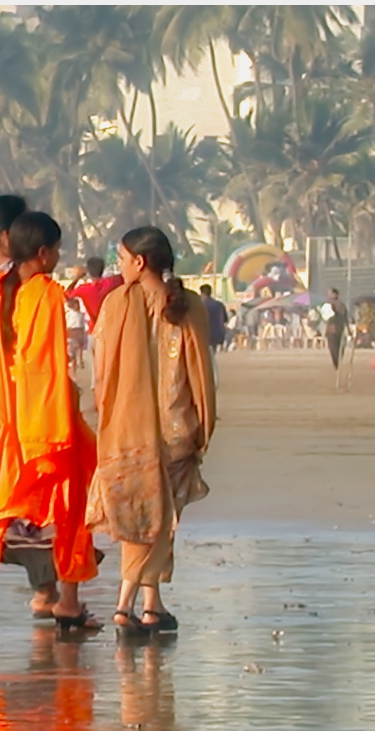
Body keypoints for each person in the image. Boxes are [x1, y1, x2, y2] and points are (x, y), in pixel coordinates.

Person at [0, 210, 100, 640]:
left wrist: (0, 399)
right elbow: (47, 366)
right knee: (72, 509)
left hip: (0, 421)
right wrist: (54, 419)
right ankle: (67, 601)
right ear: (44, 253)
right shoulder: (47, 296)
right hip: (43, 423)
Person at [88, 226, 216, 638]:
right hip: (178, 427)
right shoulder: (188, 304)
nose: (119, 267)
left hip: (129, 427)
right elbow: (201, 373)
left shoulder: (115, 304)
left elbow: (101, 371)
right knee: (158, 517)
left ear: (139, 263)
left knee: (144, 515)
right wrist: (204, 423)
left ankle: (130, 605)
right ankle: (145, 605)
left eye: (122, 260)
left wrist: (105, 413)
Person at [66, 255, 124, 336]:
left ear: (88, 271)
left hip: (94, 330)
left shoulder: (85, 289)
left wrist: (78, 276)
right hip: (111, 328)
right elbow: (123, 277)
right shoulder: (110, 283)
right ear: (103, 269)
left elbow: (67, 294)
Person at [322, 288, 348, 370]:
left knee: (339, 346)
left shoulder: (340, 305)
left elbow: (344, 317)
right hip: (330, 328)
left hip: (338, 328)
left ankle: (338, 360)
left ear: (336, 294)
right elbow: (325, 317)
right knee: (332, 347)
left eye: (331, 293)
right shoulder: (327, 305)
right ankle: (335, 362)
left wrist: (347, 328)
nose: (329, 295)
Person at [200, 284, 227, 355]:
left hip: (204, 334)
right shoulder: (219, 305)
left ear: (202, 293)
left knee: (205, 355)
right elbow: (225, 320)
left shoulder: (200, 305)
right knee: (212, 354)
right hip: (217, 334)